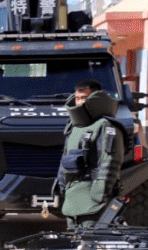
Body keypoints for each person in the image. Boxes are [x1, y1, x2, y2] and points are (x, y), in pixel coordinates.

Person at [52, 79, 125, 228]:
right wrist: (61, 188)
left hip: (94, 201)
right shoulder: (73, 126)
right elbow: (65, 160)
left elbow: (109, 161)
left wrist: (99, 195)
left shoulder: (105, 126)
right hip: (73, 199)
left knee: (91, 246)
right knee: (74, 246)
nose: (79, 103)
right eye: (77, 98)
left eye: (84, 98)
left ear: (95, 98)